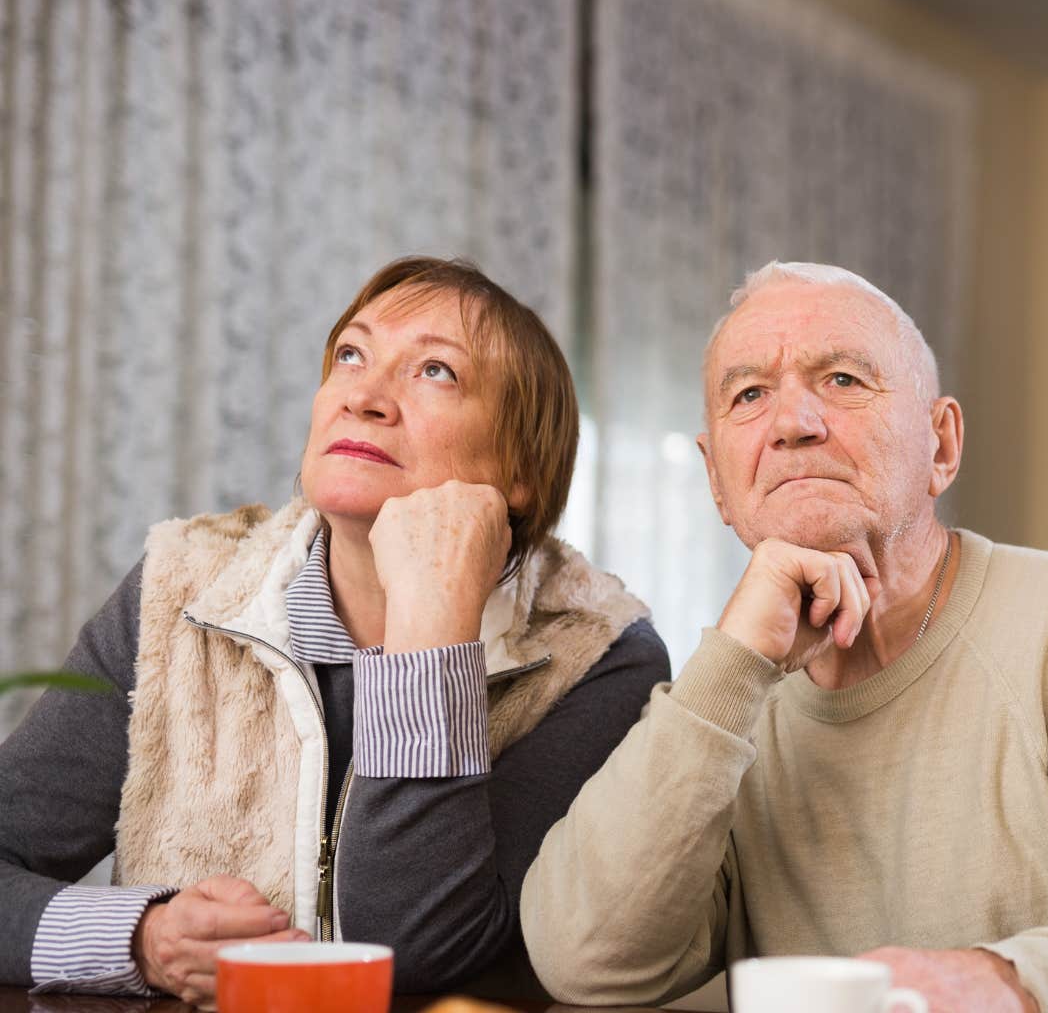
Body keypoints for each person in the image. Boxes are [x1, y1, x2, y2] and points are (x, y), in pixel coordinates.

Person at [520, 262, 1048, 1013]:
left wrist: (1008, 983)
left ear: (942, 444)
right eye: (749, 394)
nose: (793, 423)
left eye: (843, 380)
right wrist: (731, 666)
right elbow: (585, 965)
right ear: (717, 479)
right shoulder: (726, 698)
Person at [0, 257, 669, 1006]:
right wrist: (142, 940)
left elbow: (417, 950)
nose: (365, 397)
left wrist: (430, 627)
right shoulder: (177, 591)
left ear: (520, 471)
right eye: (351, 355)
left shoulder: (599, 657)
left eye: (437, 371)